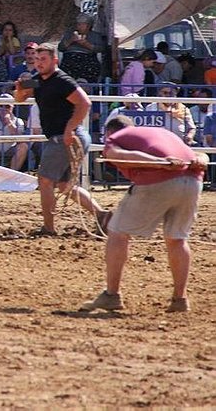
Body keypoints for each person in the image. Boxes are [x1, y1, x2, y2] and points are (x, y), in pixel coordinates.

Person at [80, 115, 209, 313]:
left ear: (109, 131)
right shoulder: (163, 134)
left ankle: (111, 295)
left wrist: (158, 162)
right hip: (193, 182)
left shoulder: (115, 138)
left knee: (117, 232)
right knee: (177, 239)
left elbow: (119, 155)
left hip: (158, 180)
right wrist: (200, 160)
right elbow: (199, 155)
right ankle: (180, 299)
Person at [13, 42, 111, 235]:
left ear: (54, 60)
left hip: (65, 137)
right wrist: (20, 90)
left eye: (43, 59)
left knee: (45, 181)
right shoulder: (37, 80)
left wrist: (69, 129)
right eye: (36, 59)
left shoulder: (62, 81)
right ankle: (102, 215)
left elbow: (84, 103)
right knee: (65, 185)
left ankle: (48, 228)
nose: (39, 63)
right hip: (65, 136)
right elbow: (19, 99)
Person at [0, 93, 29, 171]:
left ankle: (12, 174)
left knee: (23, 146)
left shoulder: (18, 121)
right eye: (1, 106)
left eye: (7, 106)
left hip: (10, 149)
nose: (4, 109)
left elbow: (20, 140)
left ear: (12, 107)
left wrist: (9, 122)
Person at [57, 13, 104, 83]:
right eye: (78, 24)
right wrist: (71, 40)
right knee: (68, 67)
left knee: (90, 67)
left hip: (88, 57)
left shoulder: (95, 35)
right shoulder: (69, 34)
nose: (79, 27)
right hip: (70, 56)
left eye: (82, 24)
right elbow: (60, 48)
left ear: (88, 26)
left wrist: (86, 44)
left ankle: (86, 84)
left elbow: (100, 49)